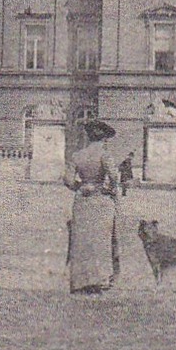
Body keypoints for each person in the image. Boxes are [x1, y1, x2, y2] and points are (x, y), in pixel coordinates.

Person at [64, 119, 121, 294]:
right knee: (101, 240)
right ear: (103, 138)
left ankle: (80, 281)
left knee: (82, 240)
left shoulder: (77, 155)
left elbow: (67, 180)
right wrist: (107, 189)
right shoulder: (105, 155)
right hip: (101, 201)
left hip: (82, 200)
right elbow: (114, 178)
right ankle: (101, 279)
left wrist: (80, 186)